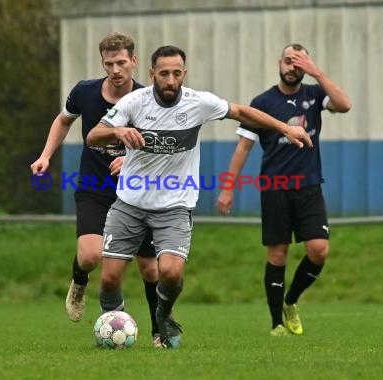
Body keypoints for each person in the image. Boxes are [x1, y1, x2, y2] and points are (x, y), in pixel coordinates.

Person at [86, 45, 313, 348]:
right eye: (164, 73)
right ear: (152, 74)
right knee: (110, 278)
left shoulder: (199, 102)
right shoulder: (133, 102)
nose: (170, 80)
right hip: (129, 203)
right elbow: (92, 136)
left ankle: (163, 317)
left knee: (170, 271)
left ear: (184, 74)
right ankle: (112, 328)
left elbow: (242, 112)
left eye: (176, 73)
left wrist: (286, 128)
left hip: (175, 206)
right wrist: (117, 132)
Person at [29, 32, 162, 346]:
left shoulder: (149, 99)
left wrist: (130, 162)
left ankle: (160, 330)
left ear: (134, 61)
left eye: (121, 62)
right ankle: (78, 281)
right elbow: (64, 121)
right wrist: (46, 155)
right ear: (102, 62)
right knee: (90, 256)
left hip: (137, 192)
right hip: (94, 186)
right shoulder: (85, 92)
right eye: (109, 63)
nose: (116, 69)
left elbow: (160, 145)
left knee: (150, 268)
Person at [217, 43, 352, 337]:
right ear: (279, 63)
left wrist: (317, 72)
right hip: (275, 188)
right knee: (277, 255)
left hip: (309, 186)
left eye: (299, 62)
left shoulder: (314, 95)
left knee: (319, 250)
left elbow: (344, 104)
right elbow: (243, 148)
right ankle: (276, 324)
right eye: (289, 61)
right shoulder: (263, 102)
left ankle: (291, 301)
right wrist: (227, 189)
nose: (293, 67)